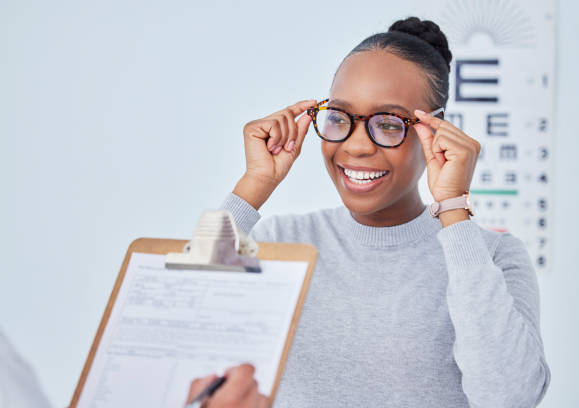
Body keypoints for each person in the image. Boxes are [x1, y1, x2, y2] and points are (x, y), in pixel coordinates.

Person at [191, 16, 550, 407]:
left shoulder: (492, 257)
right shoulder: (282, 243)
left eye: (389, 123)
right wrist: (254, 184)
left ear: (436, 130)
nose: (357, 146)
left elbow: (510, 398)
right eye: (339, 117)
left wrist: (453, 206)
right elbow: (177, 325)